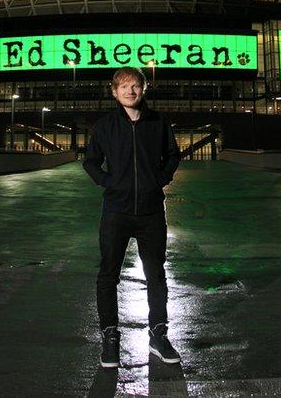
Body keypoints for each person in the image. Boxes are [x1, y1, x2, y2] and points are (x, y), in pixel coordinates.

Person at [82, 66, 181, 368]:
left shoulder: (158, 122)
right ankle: (111, 337)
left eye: (135, 85)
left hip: (151, 212)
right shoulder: (105, 126)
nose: (130, 91)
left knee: (156, 275)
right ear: (114, 91)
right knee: (108, 274)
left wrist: (159, 180)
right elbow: (91, 162)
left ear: (144, 88)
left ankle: (158, 334)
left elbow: (173, 155)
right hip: (116, 212)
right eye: (123, 86)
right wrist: (109, 182)